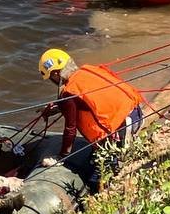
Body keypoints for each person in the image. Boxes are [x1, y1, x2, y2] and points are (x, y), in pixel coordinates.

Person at [37, 49, 143, 194]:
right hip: (136, 115)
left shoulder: (68, 92)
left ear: (55, 74)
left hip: (120, 130)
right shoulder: (87, 71)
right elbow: (88, 101)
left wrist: (61, 156)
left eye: (50, 78)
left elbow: (70, 128)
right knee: (96, 158)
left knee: (96, 180)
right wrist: (59, 108)